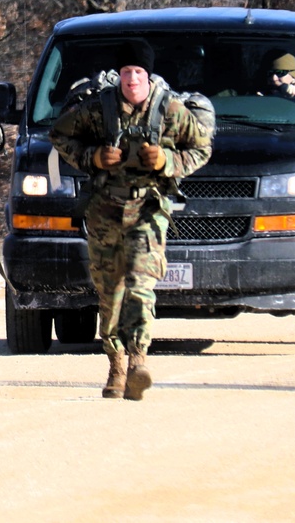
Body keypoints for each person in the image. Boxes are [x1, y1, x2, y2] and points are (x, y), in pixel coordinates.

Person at [49, 39, 213, 401]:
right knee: (110, 291)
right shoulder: (100, 109)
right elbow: (59, 135)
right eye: (126, 72)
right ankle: (116, 365)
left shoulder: (169, 111)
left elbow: (201, 148)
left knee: (140, 283)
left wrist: (167, 162)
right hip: (105, 209)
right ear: (119, 75)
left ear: (148, 75)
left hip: (148, 210)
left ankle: (139, 360)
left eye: (138, 72)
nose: (132, 79)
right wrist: (93, 157)